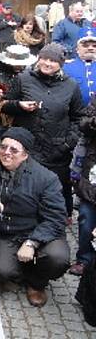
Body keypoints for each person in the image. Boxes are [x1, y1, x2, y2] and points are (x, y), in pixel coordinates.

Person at [0, 127, 69, 307]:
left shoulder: (46, 178)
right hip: (4, 234)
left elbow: (56, 219)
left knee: (58, 258)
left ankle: (36, 283)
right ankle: (21, 272)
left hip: (38, 233)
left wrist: (32, 242)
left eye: (13, 150)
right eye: (3, 147)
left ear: (25, 155)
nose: (6, 153)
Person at [2, 43, 85, 217]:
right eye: (44, 58)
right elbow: (4, 106)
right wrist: (19, 105)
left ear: (60, 64)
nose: (47, 63)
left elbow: (78, 118)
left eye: (53, 60)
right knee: (25, 191)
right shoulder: (23, 79)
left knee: (56, 192)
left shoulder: (71, 86)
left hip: (57, 151)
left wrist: (67, 143)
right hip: (27, 149)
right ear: (38, 59)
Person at [69, 99, 96, 277]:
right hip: (93, 168)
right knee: (86, 216)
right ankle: (85, 259)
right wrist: (93, 122)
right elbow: (83, 123)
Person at [63, 28, 96, 105]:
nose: (90, 48)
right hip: (76, 114)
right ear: (77, 49)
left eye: (94, 46)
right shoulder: (66, 67)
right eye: (85, 46)